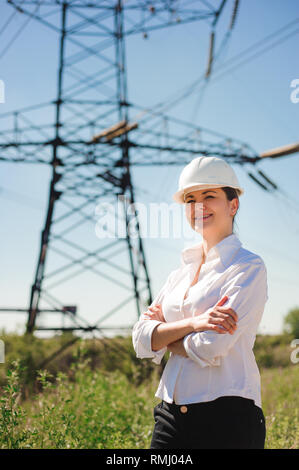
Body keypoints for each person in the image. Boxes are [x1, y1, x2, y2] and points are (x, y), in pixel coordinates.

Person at [132, 156, 268, 449]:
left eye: (210, 196)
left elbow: (212, 345)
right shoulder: (179, 274)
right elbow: (140, 339)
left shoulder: (247, 267)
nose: (199, 206)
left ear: (233, 205)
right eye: (190, 199)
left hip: (228, 414)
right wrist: (193, 323)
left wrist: (165, 337)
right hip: (169, 414)